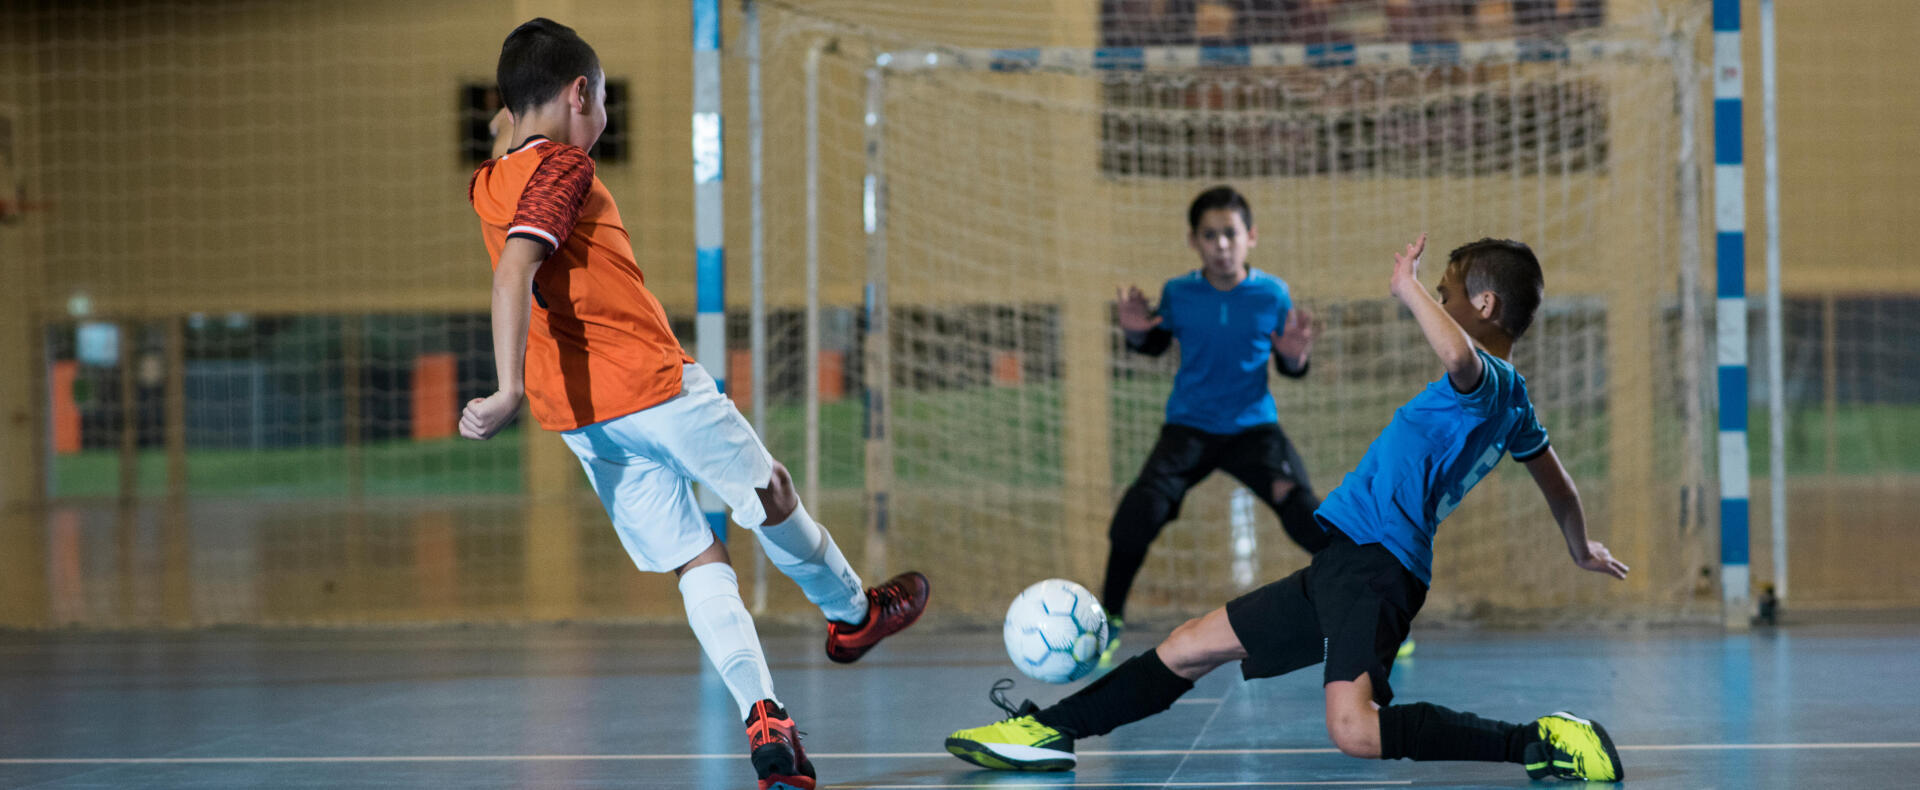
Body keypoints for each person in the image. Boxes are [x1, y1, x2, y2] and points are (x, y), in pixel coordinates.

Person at [946, 234, 1631, 782]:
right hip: (1346, 562)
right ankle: (1049, 730)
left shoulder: (1484, 382)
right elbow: (1559, 483)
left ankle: (1540, 743)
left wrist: (1407, 288)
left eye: (1449, 292)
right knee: (1188, 647)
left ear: (1483, 305)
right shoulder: (1515, 405)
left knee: (1354, 730)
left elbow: (1459, 356)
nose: (1441, 301)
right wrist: (1579, 543)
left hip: (1376, 568)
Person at [463, 19, 930, 790]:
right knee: (769, 494)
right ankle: (853, 614)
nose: (604, 115)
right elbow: (515, 270)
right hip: (654, 387)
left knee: (696, 560)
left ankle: (768, 721)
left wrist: (508, 122)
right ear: (580, 94)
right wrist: (504, 386)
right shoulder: (565, 169)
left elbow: (506, 153)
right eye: (604, 97)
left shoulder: (489, 180)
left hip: (583, 421)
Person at [1100, 185, 1324, 666]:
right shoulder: (1179, 293)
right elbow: (1155, 344)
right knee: (1137, 515)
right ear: (1193, 241)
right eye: (1209, 236)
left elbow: (1291, 363)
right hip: (1190, 429)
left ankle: (1369, 611)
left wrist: (1295, 357)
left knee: (1309, 514)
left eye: (1230, 234)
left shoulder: (1272, 293)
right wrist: (1136, 334)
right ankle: (1109, 620)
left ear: (1251, 237)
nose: (1221, 245)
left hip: (1253, 431)